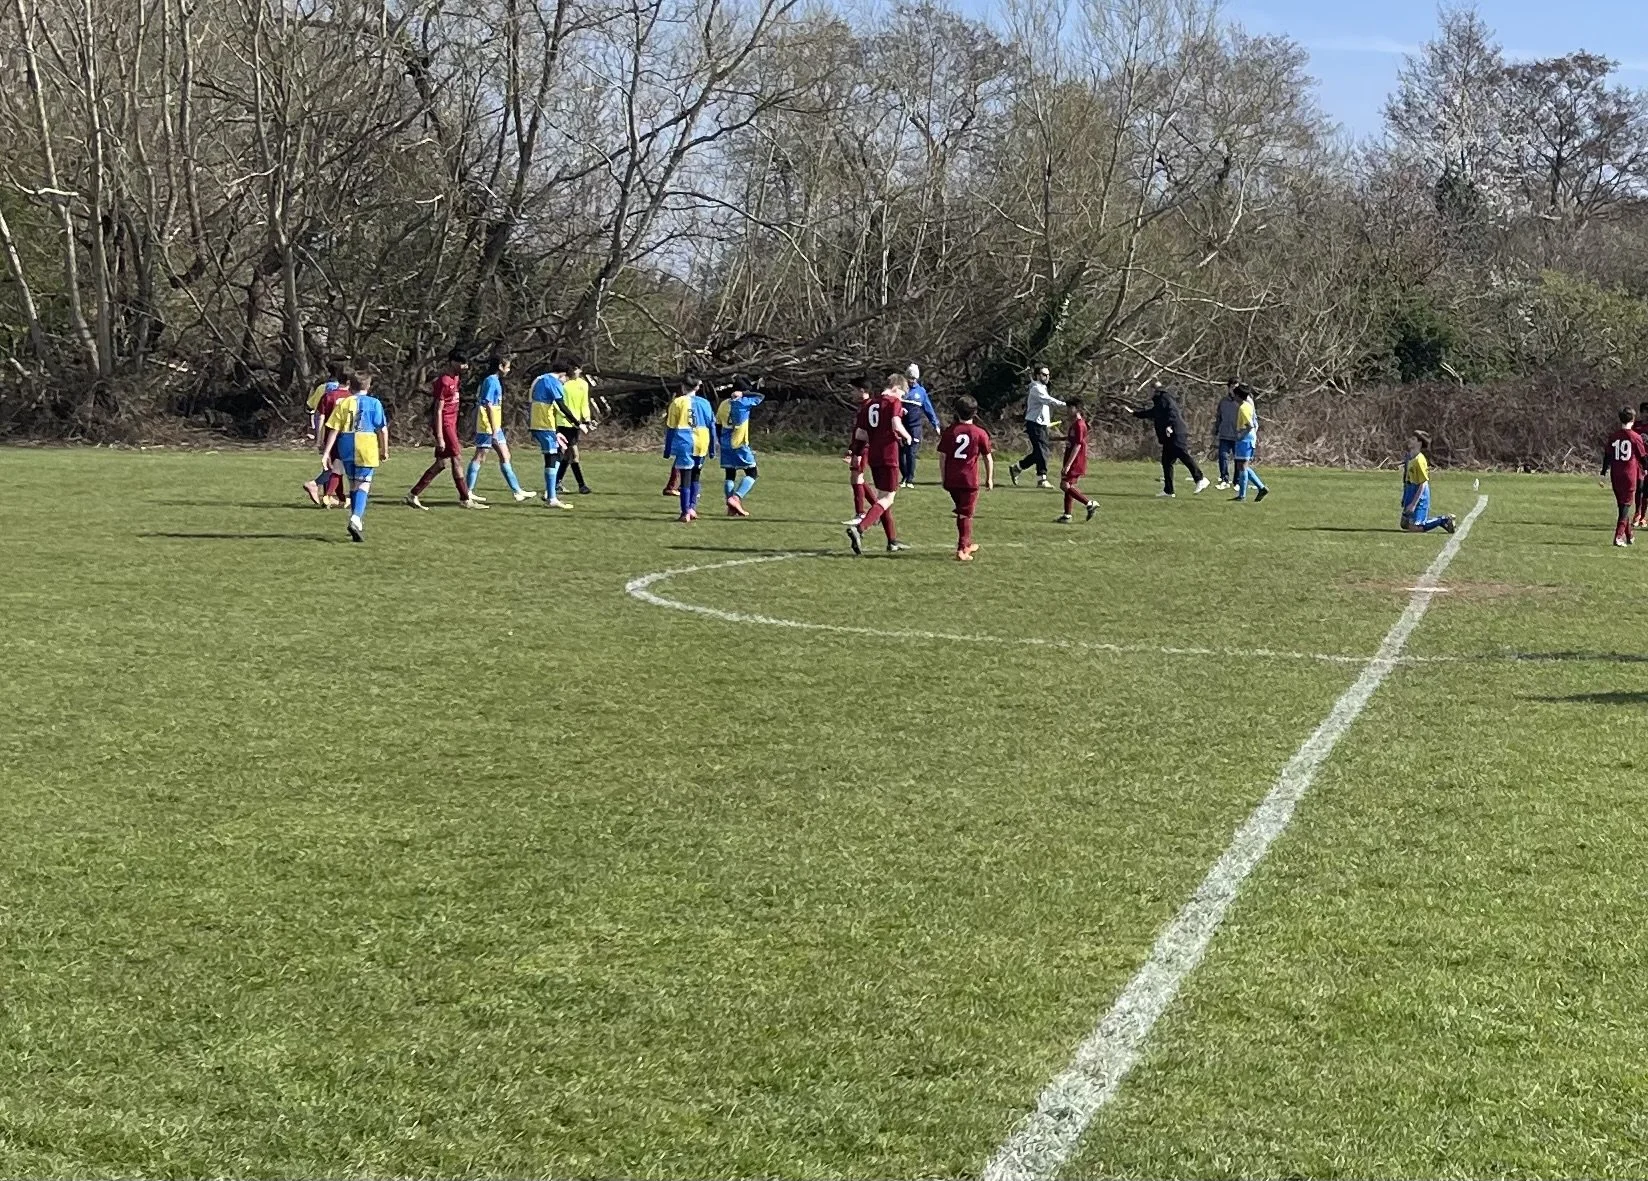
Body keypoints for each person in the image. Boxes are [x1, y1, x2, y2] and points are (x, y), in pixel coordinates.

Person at [405, 349, 485, 511]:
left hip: (452, 424)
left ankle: (413, 494)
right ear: (452, 362)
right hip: (445, 425)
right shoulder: (444, 381)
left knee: (441, 464)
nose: (465, 367)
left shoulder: (456, 378)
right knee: (457, 458)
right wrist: (440, 437)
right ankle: (465, 498)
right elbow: (438, 410)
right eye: (462, 363)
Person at [318, 371, 389, 543]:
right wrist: (384, 449)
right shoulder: (374, 403)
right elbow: (382, 429)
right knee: (363, 484)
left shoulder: (344, 403)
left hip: (346, 445)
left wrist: (326, 452)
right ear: (368, 386)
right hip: (366, 445)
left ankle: (355, 521)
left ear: (351, 386)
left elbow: (334, 429)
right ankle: (356, 518)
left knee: (353, 484)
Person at [846, 373, 913, 555]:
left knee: (883, 498)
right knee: (887, 498)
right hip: (889, 454)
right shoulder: (893, 402)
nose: (902, 398)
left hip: (874, 455)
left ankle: (892, 541)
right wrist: (907, 437)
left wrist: (858, 451)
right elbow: (895, 423)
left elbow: (860, 434)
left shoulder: (870, 404)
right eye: (902, 394)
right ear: (896, 388)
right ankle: (860, 528)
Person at [464, 355, 535, 503]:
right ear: (500, 367)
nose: (508, 370)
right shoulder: (491, 381)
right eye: (507, 367)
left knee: (505, 455)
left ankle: (517, 491)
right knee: (480, 456)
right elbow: (488, 404)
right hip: (487, 426)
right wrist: (493, 427)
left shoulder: (495, 380)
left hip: (494, 426)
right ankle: (468, 491)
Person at [938, 395, 994, 560]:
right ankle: (962, 549)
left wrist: (943, 477)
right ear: (975, 413)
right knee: (966, 514)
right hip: (969, 480)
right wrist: (989, 478)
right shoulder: (979, 433)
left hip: (952, 479)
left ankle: (967, 543)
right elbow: (987, 457)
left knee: (962, 511)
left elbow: (942, 456)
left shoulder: (950, 431)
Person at [1132, 381, 1209, 497]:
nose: (1148, 392)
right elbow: (1153, 413)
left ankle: (1200, 479)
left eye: (1149, 390)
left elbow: (1172, 413)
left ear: (1154, 390)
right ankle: (1168, 490)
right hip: (1170, 434)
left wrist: (1169, 425)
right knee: (1166, 462)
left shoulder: (1164, 398)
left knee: (1182, 454)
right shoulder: (1159, 400)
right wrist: (1135, 413)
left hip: (1175, 432)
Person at [664, 375, 716, 521]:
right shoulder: (705, 403)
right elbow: (712, 426)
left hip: (684, 441)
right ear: (697, 387)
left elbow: (671, 428)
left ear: (682, 387)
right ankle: (692, 508)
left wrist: (667, 449)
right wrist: (712, 448)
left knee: (685, 477)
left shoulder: (677, 402)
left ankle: (685, 512)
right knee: (696, 476)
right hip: (702, 441)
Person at [302, 367, 352, 507]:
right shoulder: (351, 398)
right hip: (344, 436)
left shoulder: (328, 395)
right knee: (337, 467)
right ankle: (318, 486)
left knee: (334, 466)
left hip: (328, 435)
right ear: (349, 382)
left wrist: (319, 439)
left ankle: (339, 498)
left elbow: (320, 417)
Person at [529, 360, 576, 509]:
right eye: (566, 379)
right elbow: (561, 405)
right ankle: (551, 498)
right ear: (562, 374)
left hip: (539, 424)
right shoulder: (553, 381)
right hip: (544, 425)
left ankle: (550, 493)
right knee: (552, 457)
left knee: (558, 453)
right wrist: (577, 422)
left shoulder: (540, 378)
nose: (564, 383)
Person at [716, 375, 765, 517]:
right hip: (739, 443)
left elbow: (717, 424)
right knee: (752, 472)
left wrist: (720, 441)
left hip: (725, 443)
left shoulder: (724, 404)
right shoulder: (744, 402)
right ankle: (736, 498)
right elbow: (760, 396)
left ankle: (730, 506)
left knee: (730, 474)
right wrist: (744, 394)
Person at [1008, 364, 1063, 487]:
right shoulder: (1036, 389)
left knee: (1040, 452)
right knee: (1042, 451)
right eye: (1044, 374)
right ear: (1038, 376)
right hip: (1035, 424)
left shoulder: (1042, 387)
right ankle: (1041, 479)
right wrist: (1065, 404)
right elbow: (1048, 400)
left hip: (1041, 424)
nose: (1047, 377)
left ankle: (1018, 467)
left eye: (1048, 374)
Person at [1602, 408, 1646, 547]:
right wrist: (1646, 468)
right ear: (1633, 419)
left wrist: (1603, 472)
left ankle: (1629, 535)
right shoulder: (1635, 437)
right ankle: (1619, 536)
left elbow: (1607, 456)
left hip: (1615, 474)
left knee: (1622, 505)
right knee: (1625, 506)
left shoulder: (1614, 436)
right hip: (1629, 474)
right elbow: (1642, 456)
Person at [1401, 430, 1457, 534]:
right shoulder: (1409, 457)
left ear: (1419, 443)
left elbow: (1423, 484)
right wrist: (1405, 497)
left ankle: (1444, 520)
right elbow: (1406, 478)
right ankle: (1420, 520)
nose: (1409, 440)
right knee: (1404, 523)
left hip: (1419, 493)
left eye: (1413, 439)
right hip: (1410, 491)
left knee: (1416, 528)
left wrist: (1413, 504)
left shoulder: (1419, 460)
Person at [555, 359, 596, 495]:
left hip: (576, 424)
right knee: (574, 454)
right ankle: (582, 485)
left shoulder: (583, 384)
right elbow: (559, 404)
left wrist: (587, 419)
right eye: (575, 368)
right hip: (563, 422)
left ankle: (556, 483)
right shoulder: (563, 383)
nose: (578, 371)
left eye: (578, 369)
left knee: (567, 455)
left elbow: (584, 404)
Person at [898, 363, 940, 487]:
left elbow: (928, 409)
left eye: (913, 378)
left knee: (911, 452)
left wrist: (935, 424)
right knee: (900, 453)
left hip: (914, 427)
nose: (911, 381)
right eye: (909, 378)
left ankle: (910, 479)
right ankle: (904, 476)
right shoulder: (901, 390)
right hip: (901, 426)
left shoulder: (921, 392)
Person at [1056, 396, 1096, 523]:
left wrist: (1068, 464)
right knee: (1068, 485)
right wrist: (1055, 439)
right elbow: (1072, 439)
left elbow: (1078, 445)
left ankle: (1089, 503)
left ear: (1077, 409)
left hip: (1075, 461)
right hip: (1070, 459)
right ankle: (1067, 515)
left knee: (1064, 485)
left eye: (1070, 407)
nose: (1068, 410)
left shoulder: (1079, 425)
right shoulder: (1074, 424)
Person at [1231, 384, 1269, 503]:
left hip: (1246, 439)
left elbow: (1250, 426)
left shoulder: (1243, 408)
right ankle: (1261, 488)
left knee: (1242, 466)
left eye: (1235, 395)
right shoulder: (1247, 405)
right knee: (1242, 466)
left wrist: (1240, 436)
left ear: (1238, 396)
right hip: (1248, 438)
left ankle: (1242, 495)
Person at [845, 374, 875, 523]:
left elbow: (865, 432)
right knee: (858, 478)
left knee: (857, 477)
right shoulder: (865, 406)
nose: (851, 393)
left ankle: (861, 514)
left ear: (862, 390)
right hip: (859, 447)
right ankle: (878, 509)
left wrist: (858, 452)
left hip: (863, 448)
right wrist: (851, 449)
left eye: (853, 390)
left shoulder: (867, 408)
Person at [1213, 381, 1241, 489]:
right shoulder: (1223, 402)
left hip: (1237, 435)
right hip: (1224, 434)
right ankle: (1224, 478)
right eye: (1232, 387)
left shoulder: (1241, 402)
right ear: (1229, 388)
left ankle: (1237, 481)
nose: (1234, 390)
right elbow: (1218, 417)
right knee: (1223, 456)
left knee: (1238, 459)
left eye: (1236, 387)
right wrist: (1216, 429)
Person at [1633, 400, 1648, 528]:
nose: (1646, 414)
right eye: (1645, 412)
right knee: (1639, 488)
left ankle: (1643, 516)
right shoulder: (1635, 426)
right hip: (1637, 462)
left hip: (1647, 462)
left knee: (1646, 490)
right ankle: (1637, 514)